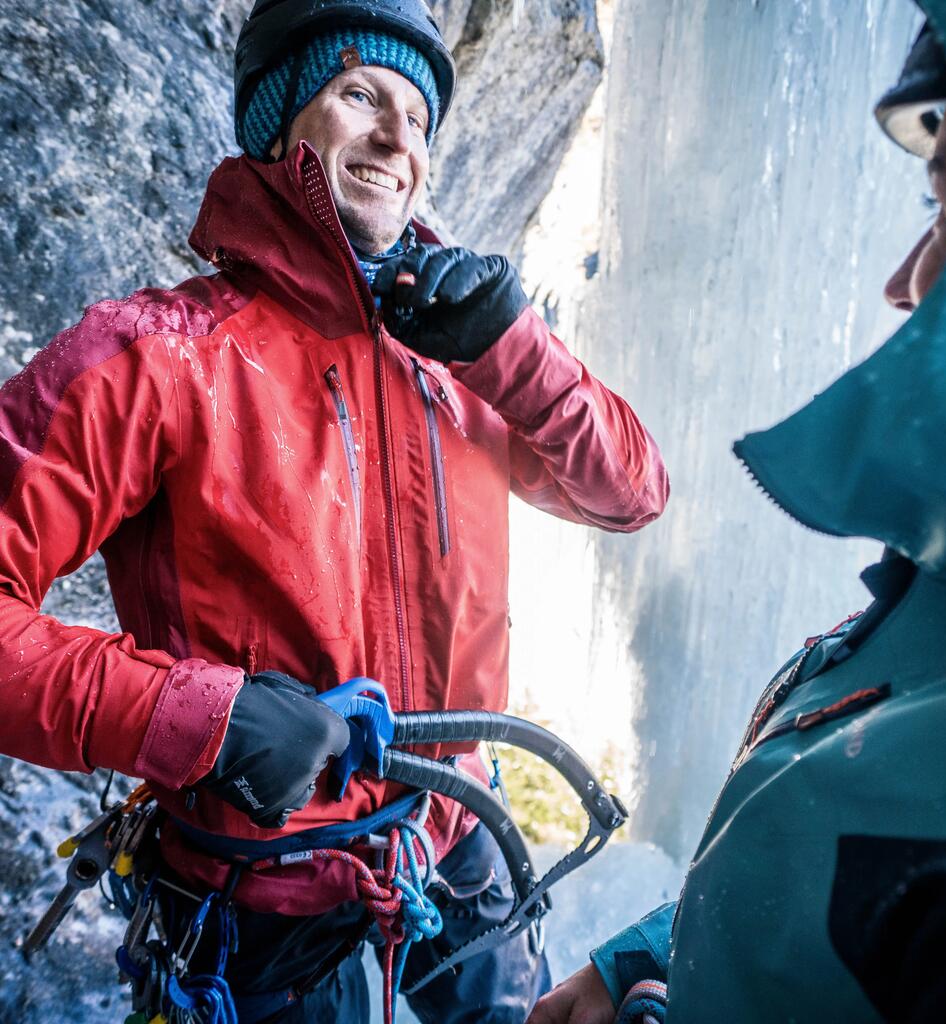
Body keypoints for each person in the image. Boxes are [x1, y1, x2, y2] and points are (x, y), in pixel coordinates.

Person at [0, 1, 667, 1021]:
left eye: (419, 118)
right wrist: (199, 716)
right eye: (360, 95)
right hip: (261, 923)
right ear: (280, 129)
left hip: (458, 865)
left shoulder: (462, 364)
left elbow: (630, 491)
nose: (399, 137)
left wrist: (512, 345)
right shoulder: (156, 355)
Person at [528, 2, 946, 1021]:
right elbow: (833, 891)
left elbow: (627, 487)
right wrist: (647, 951)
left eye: (944, 218)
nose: (898, 283)